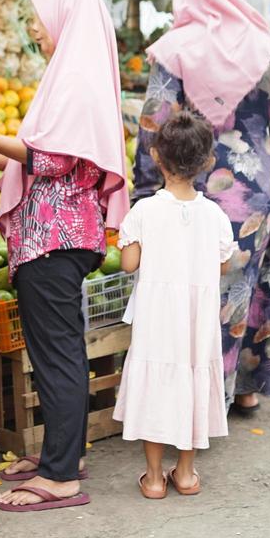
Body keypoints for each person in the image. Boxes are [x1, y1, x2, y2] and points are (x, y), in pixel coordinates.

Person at [0, 0, 129, 513]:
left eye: (38, 15)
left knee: (58, 355)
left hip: (56, 239)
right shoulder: (70, 75)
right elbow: (36, 155)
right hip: (53, 237)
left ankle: (60, 478)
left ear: (64, 17)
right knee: (54, 352)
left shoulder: (77, 79)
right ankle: (66, 456)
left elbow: (51, 159)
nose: (32, 26)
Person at [133, 0, 270, 417]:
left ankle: (206, 401)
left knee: (200, 291)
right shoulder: (266, 44)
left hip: (194, 183)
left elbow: (154, 125)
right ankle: (245, 387)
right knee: (250, 285)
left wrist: (146, 191)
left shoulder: (176, 47)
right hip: (259, 188)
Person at [113, 111, 236, 499]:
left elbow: (129, 263)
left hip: (157, 319)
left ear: (155, 157)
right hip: (197, 322)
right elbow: (223, 264)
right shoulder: (216, 215)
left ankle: (152, 478)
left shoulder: (144, 211)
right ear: (208, 162)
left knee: (157, 387)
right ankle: (185, 473)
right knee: (192, 381)